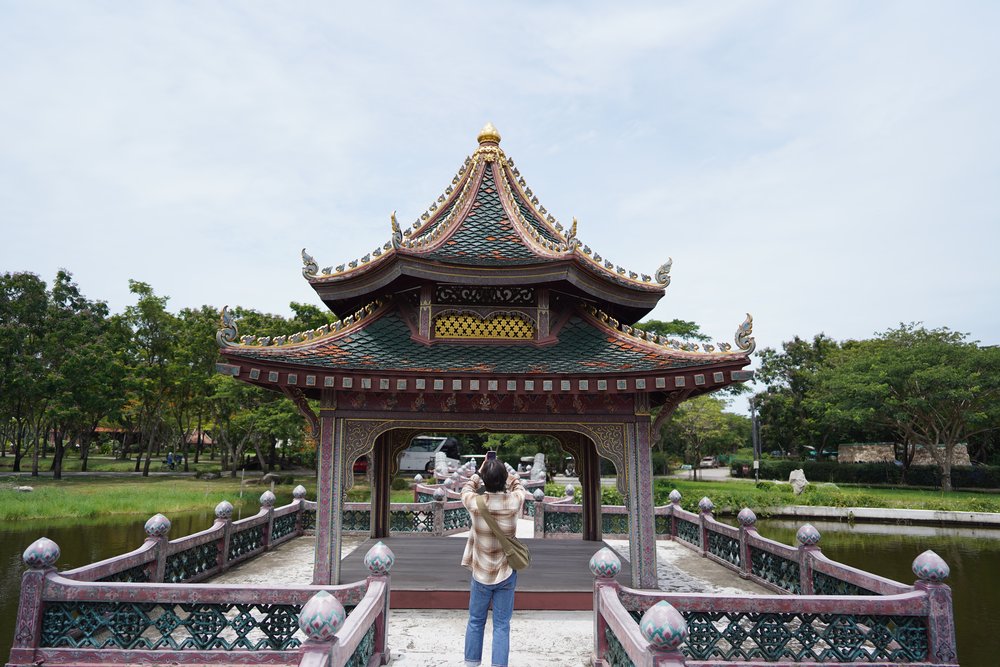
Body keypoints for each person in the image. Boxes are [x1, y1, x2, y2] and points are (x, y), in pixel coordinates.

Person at [461, 459, 527, 667]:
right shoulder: (514, 501)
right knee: (501, 625)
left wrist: (478, 474)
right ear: (504, 480)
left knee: (475, 621)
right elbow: (520, 488)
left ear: (485, 481)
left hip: (481, 572)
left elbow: (466, 489)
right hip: (506, 572)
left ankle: (472, 663)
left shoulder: (475, 503)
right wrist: (510, 475)